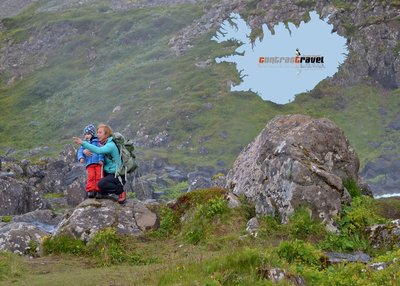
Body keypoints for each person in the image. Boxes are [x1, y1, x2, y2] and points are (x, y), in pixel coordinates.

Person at [73, 123, 126, 204]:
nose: (97, 134)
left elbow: (99, 151)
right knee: (96, 180)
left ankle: (120, 191)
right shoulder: (103, 143)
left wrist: (83, 143)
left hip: (116, 174)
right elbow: (95, 151)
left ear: (106, 134)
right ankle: (101, 192)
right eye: (97, 132)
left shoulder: (110, 145)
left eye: (100, 132)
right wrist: (84, 151)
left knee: (101, 183)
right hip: (108, 172)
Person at [77, 124, 104, 199]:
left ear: (92, 134)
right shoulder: (84, 144)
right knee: (91, 176)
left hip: (98, 163)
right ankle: (91, 190)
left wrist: (101, 159)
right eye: (85, 134)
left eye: (88, 134)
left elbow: (101, 151)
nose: (86, 135)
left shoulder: (97, 142)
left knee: (99, 176)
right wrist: (81, 157)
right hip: (89, 164)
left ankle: (99, 191)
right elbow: (80, 151)